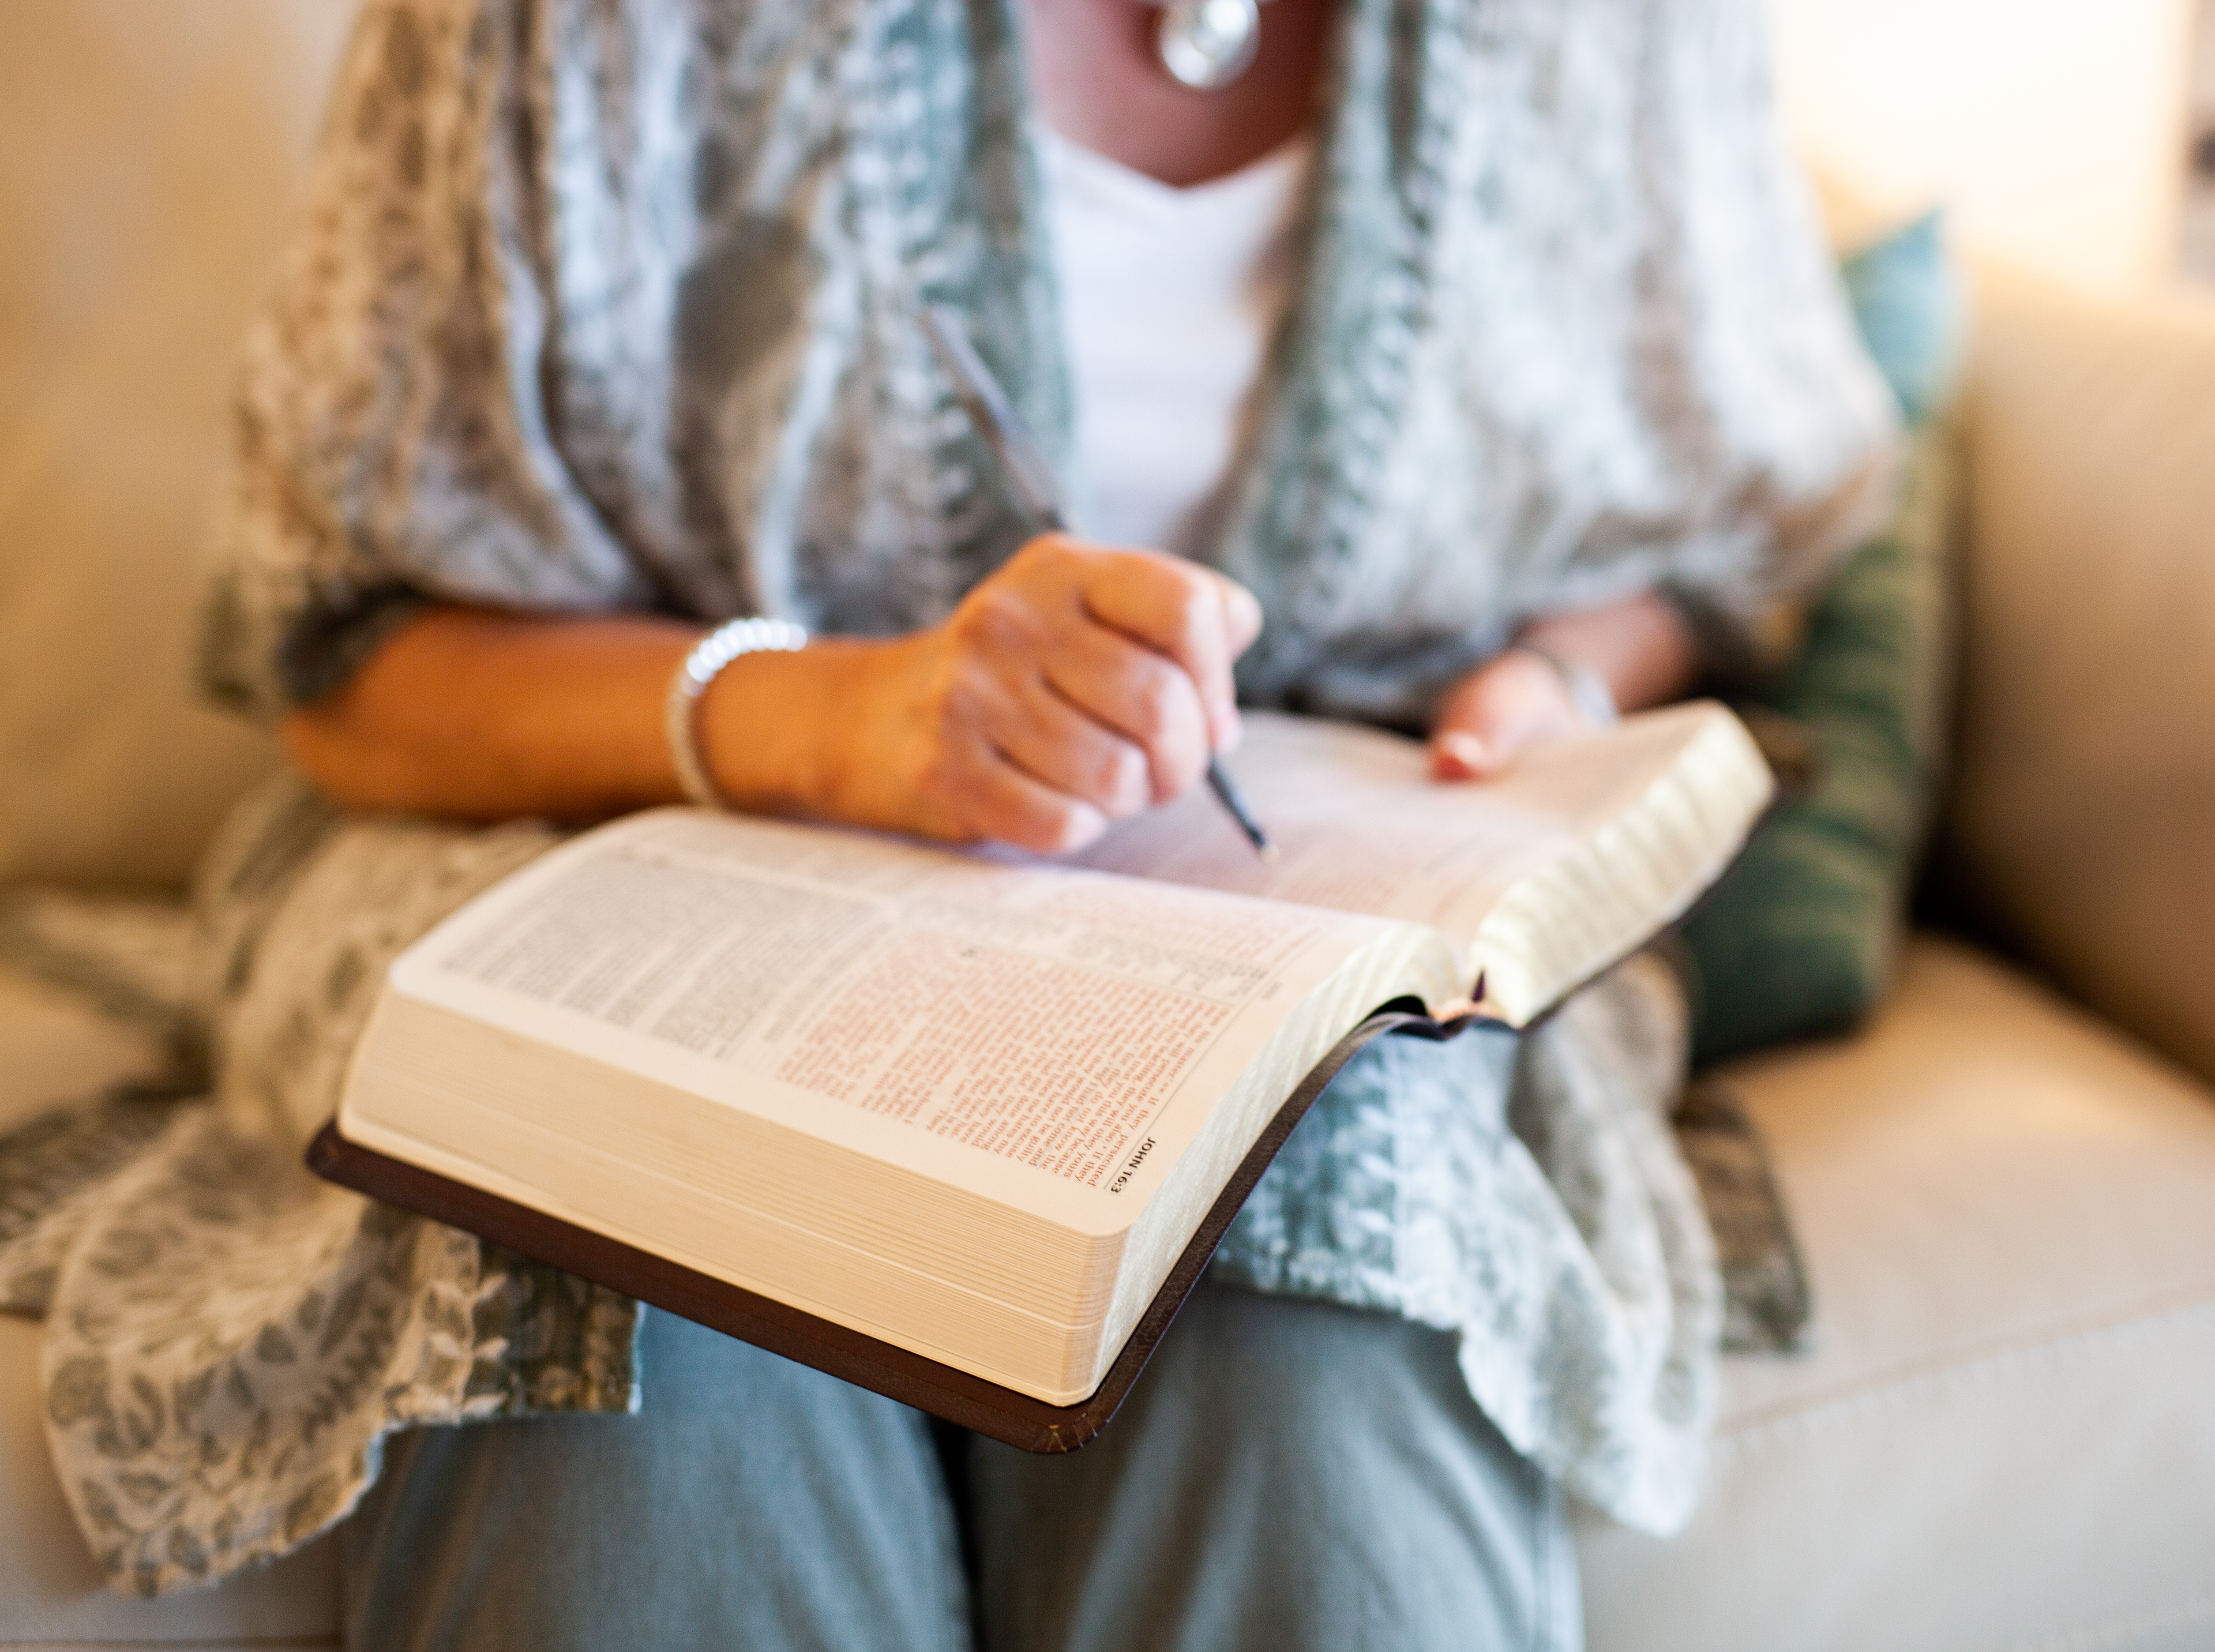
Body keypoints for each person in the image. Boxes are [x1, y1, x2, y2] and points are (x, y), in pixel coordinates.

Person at [12, 0, 1896, 1645]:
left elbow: (1722, 540)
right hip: (604, 857)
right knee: (634, 1349)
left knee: (1324, 1334)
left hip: (1279, 938)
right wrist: (838, 717)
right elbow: (347, 655)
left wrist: (1557, 683)